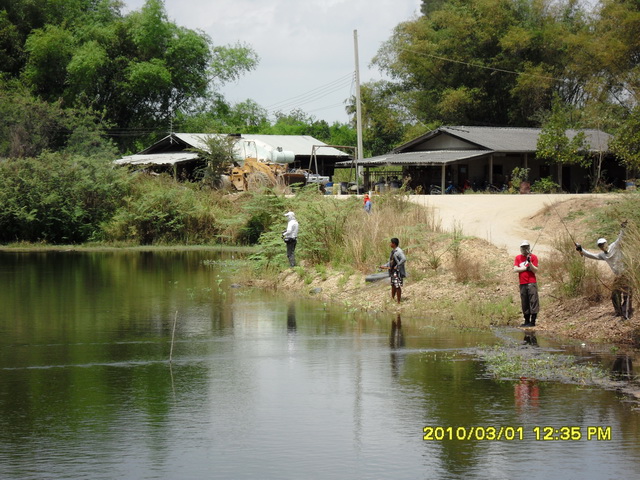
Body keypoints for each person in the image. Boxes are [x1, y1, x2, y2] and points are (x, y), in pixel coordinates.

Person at [575, 222, 631, 319]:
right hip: (618, 276)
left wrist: (623, 228)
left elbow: (621, 237)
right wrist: (581, 249)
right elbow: (591, 255)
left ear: (606, 243)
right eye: (600, 245)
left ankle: (626, 316)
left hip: (626, 273)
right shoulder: (603, 255)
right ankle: (619, 312)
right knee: (614, 294)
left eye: (603, 244)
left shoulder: (615, 246)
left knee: (627, 295)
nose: (602, 246)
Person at [513, 240, 539, 327]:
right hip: (522, 282)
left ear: (529, 247)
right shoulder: (518, 258)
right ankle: (526, 320)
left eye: (526, 247)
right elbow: (515, 269)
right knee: (524, 301)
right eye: (523, 247)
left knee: (533, 300)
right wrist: (525, 268)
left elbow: (535, 270)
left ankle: (533, 321)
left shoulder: (533, 257)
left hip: (531, 282)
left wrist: (530, 263)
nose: (524, 249)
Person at [380, 237, 406, 303]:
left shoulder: (399, 251)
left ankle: (399, 301)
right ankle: (392, 298)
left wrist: (397, 266)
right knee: (393, 285)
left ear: (394, 243)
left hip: (397, 272)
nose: (390, 244)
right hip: (392, 271)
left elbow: (404, 259)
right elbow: (391, 261)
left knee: (397, 285)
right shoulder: (393, 251)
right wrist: (384, 266)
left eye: (391, 243)